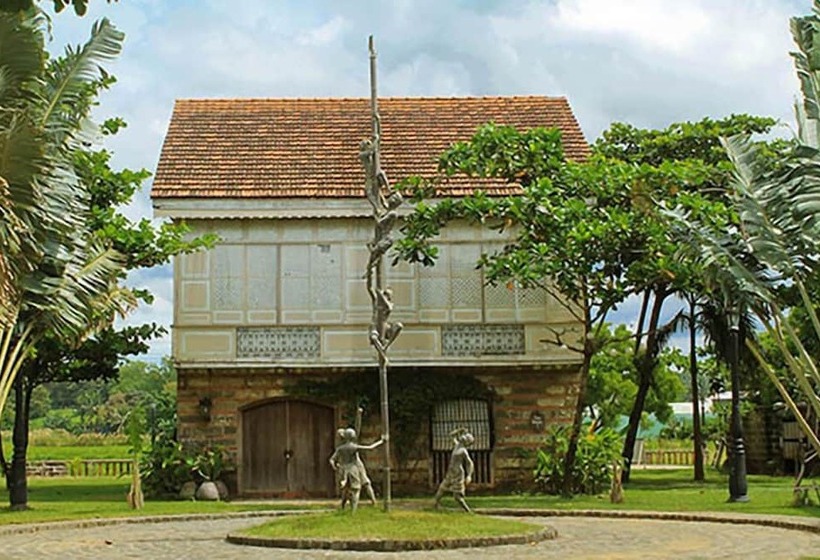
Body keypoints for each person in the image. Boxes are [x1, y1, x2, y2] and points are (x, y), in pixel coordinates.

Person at [329, 428, 384, 512]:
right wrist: (381, 441)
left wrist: (335, 466)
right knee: (354, 489)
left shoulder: (341, 448)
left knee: (353, 487)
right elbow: (370, 447)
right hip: (353, 469)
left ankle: (372, 502)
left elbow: (332, 459)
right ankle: (352, 510)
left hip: (347, 469)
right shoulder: (352, 447)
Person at [433, 428, 475, 512]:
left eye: (466, 437)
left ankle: (467, 510)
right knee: (442, 488)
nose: (463, 436)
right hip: (450, 472)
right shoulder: (457, 445)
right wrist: (460, 430)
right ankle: (435, 505)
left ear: (466, 442)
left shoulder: (463, 451)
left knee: (457, 496)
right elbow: (451, 435)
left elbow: (469, 463)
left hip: (458, 474)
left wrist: (469, 475)